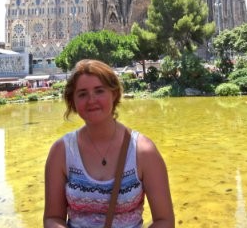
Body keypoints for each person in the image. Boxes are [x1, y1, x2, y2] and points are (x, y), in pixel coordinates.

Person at [43, 59, 175, 228]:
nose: (91, 100)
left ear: (114, 94)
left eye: (99, 91)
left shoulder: (143, 151)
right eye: (82, 94)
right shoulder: (61, 152)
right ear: (73, 102)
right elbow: (53, 218)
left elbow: (164, 220)